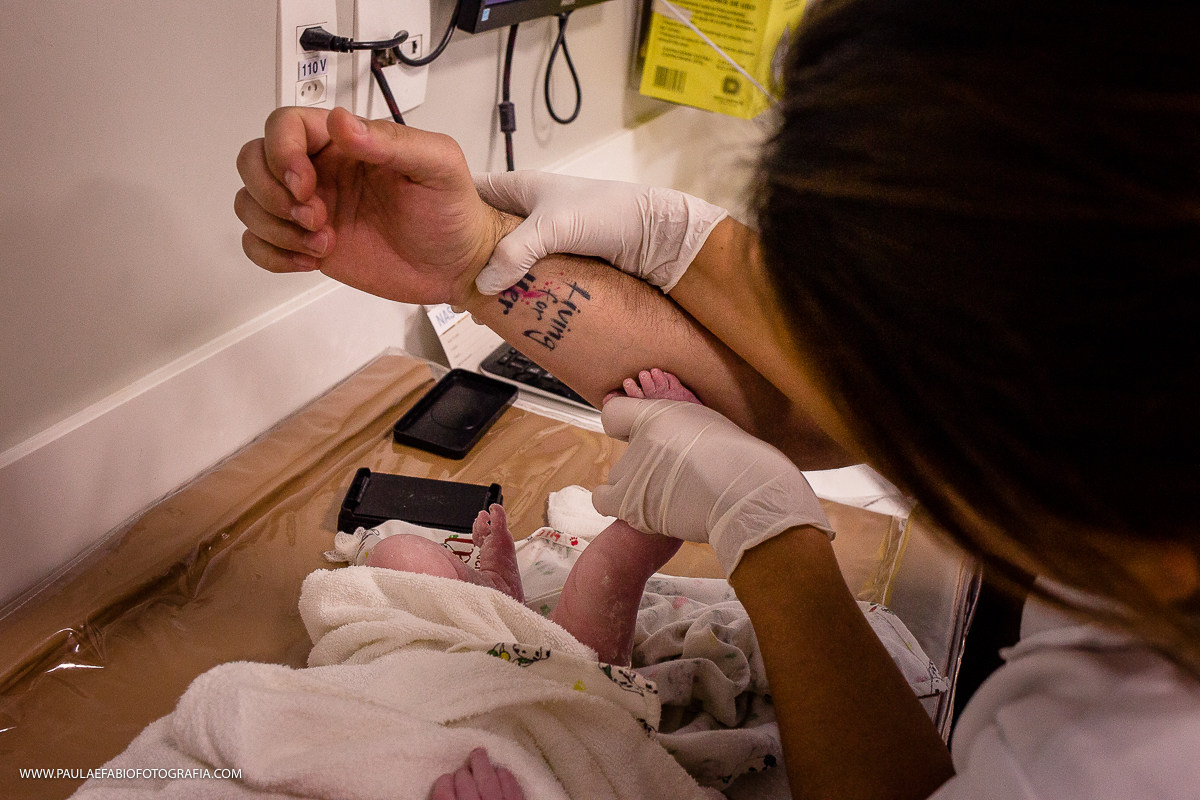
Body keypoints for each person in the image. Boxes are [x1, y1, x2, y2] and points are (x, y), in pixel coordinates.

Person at [234, 1, 1200, 798]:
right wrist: (497, 260)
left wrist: (777, 548)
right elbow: (835, 399)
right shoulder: (1132, 440)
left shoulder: (1133, 756)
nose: (857, 420)